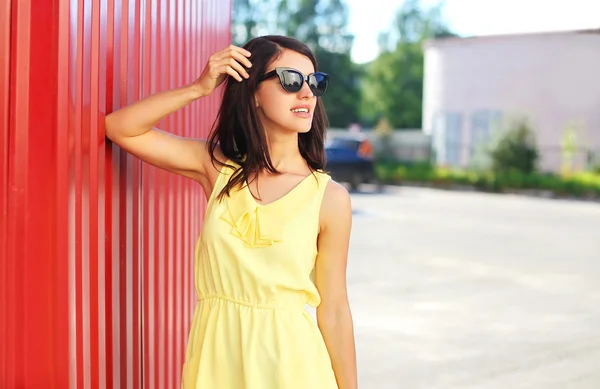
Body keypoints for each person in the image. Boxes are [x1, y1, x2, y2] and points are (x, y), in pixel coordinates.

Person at [105, 35, 357, 389]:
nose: (306, 94)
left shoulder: (329, 198)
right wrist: (198, 88)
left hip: (293, 368)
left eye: (315, 83)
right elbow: (121, 128)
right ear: (253, 91)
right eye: (290, 80)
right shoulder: (217, 168)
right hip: (216, 362)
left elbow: (333, 311)